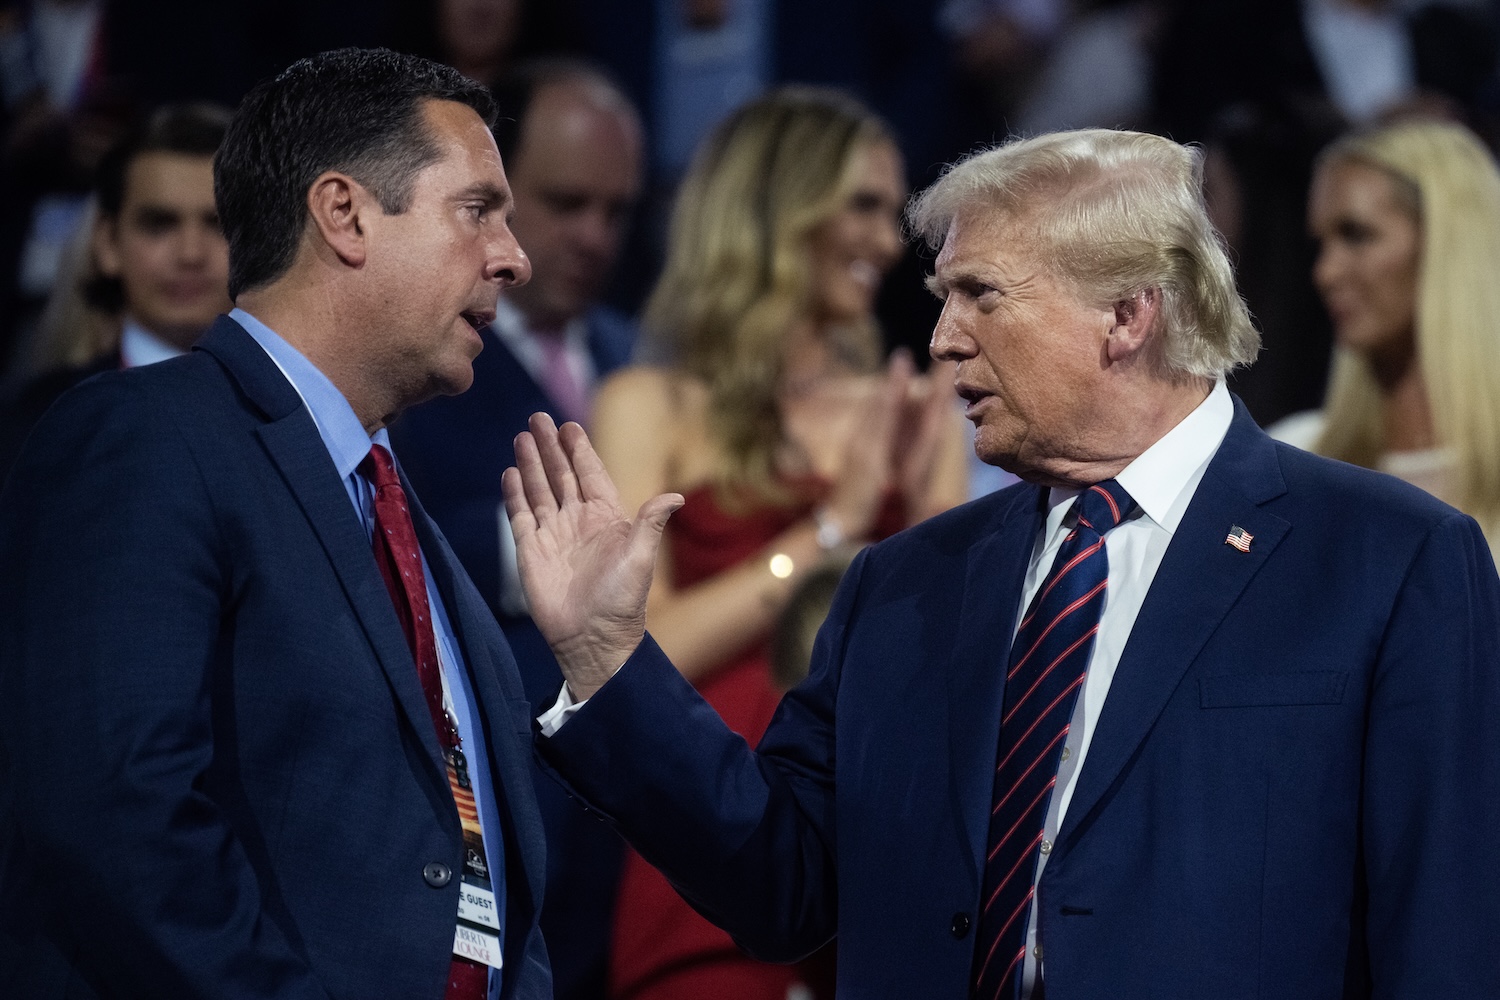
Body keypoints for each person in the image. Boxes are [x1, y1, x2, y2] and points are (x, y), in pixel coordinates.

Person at [503, 127, 1500, 999]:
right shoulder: (903, 586)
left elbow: (1444, 941)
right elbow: (781, 880)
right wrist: (607, 654)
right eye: (942, 297)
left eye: (981, 295)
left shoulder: (1387, 560)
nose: (941, 338)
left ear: (1128, 314)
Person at [0, 47, 549, 1000]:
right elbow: (121, 821)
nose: (514, 255)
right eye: (477, 210)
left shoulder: (391, 503)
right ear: (344, 215)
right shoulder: (145, 440)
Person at [585, 85, 968, 1000]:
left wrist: (913, 514)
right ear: (777, 207)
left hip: (875, 843)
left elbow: (952, 665)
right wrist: (832, 523)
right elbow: (634, 655)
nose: (888, 241)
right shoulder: (648, 405)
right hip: (706, 830)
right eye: (866, 206)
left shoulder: (917, 414)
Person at [389, 57, 642, 1000]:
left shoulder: (639, 354)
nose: (591, 236)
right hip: (482, 800)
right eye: (567, 201)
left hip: (618, 818)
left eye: (617, 212)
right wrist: (573, 539)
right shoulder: (419, 353)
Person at [1272, 118, 1500, 555]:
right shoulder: (1292, 459)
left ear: (1447, 244)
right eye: (1320, 245)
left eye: (1356, 235)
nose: (1325, 272)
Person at [0, 101, 232, 474]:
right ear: (108, 244)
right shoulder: (30, 427)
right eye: (159, 224)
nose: (191, 254)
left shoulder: (314, 418)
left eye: (219, 224)